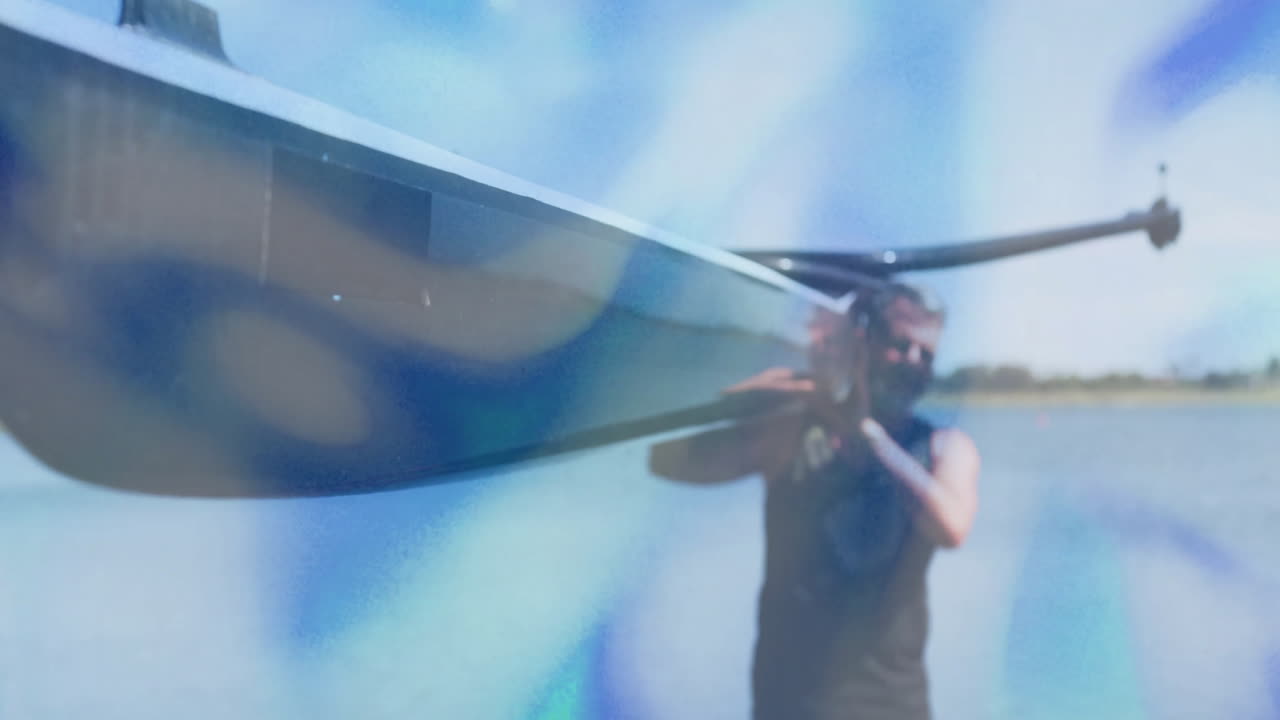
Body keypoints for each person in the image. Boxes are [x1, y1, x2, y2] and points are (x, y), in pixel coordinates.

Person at [649, 282, 980, 720]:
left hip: (890, 704)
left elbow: (952, 527)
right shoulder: (791, 431)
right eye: (901, 346)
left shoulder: (944, 447)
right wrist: (755, 394)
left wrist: (869, 437)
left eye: (927, 354)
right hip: (789, 703)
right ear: (862, 343)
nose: (914, 362)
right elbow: (666, 461)